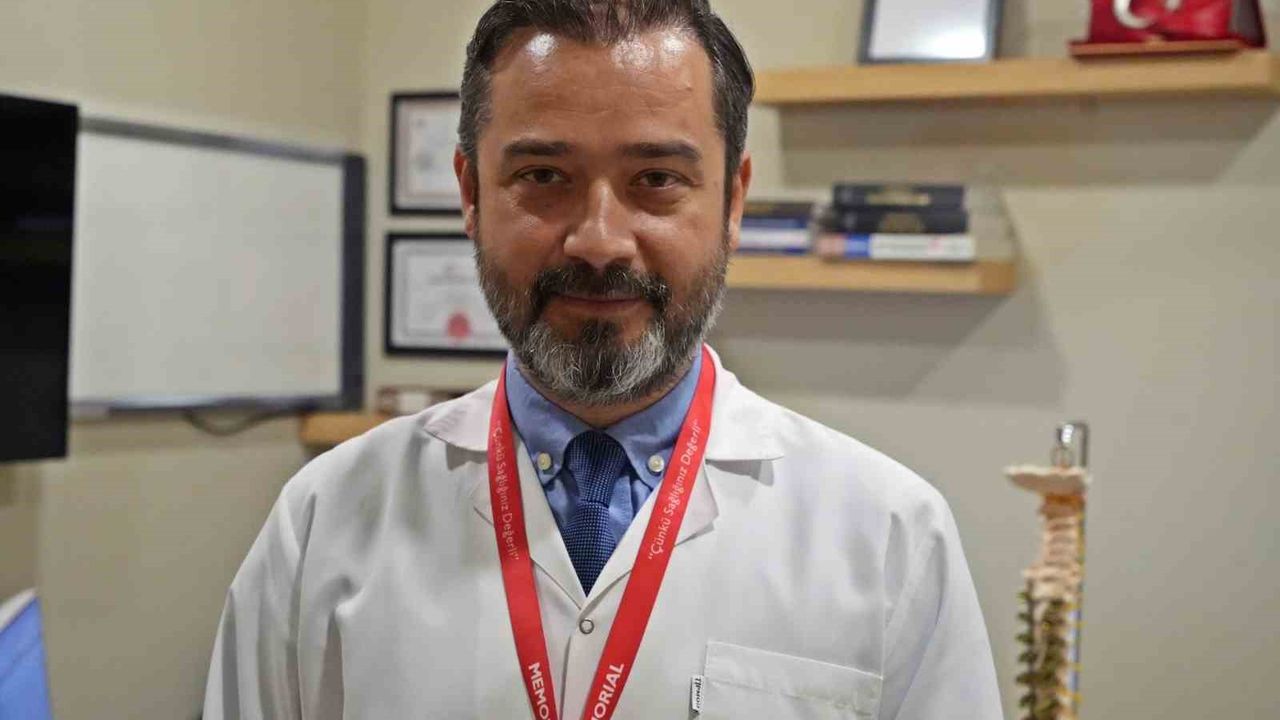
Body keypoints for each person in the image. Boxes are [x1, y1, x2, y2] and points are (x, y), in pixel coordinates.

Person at [202, 1, 1002, 718]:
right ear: (471, 194)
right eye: (543, 176)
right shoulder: (325, 520)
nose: (599, 241)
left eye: (656, 179)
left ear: (732, 201)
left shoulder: (888, 535)